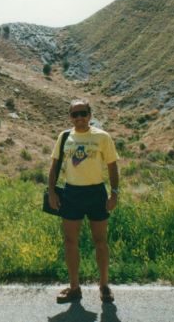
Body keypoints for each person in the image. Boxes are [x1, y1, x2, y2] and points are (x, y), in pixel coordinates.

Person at [48, 98, 120, 304]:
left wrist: (114, 193)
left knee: (101, 242)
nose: (79, 118)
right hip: (71, 194)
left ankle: (104, 286)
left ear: (90, 115)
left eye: (83, 113)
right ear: (70, 117)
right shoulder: (64, 137)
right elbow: (53, 166)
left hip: (96, 193)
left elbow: (112, 167)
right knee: (70, 242)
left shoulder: (102, 137)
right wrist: (52, 192)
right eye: (75, 114)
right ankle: (74, 288)